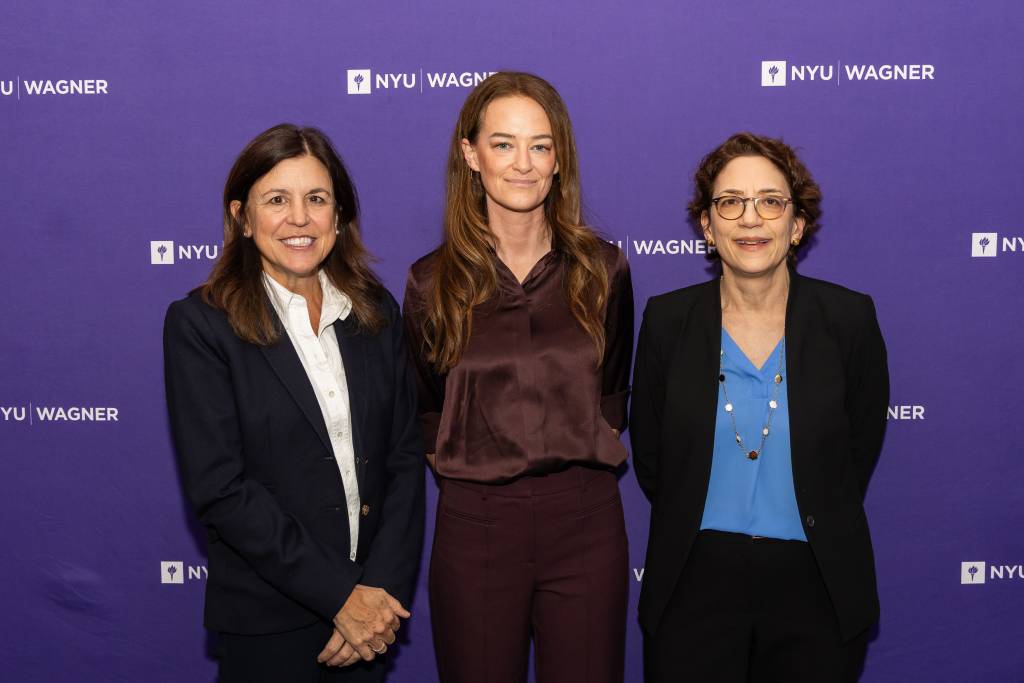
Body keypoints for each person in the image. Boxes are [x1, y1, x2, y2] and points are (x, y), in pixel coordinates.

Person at [163, 124, 425, 682]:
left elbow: (404, 457)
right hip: (271, 622)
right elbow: (221, 488)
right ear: (242, 216)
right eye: (276, 200)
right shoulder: (201, 326)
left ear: (339, 215)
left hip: (373, 622)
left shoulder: (374, 312)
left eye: (317, 199)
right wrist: (341, 598)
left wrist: (378, 592)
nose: (299, 219)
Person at [631, 132, 889, 682]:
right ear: (707, 225)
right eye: (730, 202)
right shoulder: (666, 322)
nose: (751, 219)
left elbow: (857, 449)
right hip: (692, 582)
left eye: (771, 202)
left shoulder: (849, 320)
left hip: (816, 585)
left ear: (796, 226)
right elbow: (653, 457)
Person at [402, 72, 634, 683]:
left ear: (560, 160)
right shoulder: (430, 284)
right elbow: (428, 416)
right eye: (503, 144)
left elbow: (612, 401)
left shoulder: (604, 270)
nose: (523, 164)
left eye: (540, 145)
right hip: (475, 526)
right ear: (470, 155)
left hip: (585, 522)